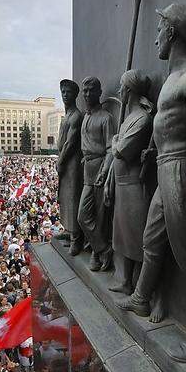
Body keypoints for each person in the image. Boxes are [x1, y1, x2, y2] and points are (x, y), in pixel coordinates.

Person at [116, 3, 186, 363]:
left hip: (181, 170)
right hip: (163, 166)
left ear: (172, 31)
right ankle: (142, 296)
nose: (156, 37)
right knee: (151, 238)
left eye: (160, 29)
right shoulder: (171, 81)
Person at [106, 69, 154, 296]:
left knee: (135, 237)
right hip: (121, 184)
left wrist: (116, 141)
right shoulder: (128, 119)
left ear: (129, 91)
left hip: (134, 187)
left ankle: (144, 288)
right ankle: (125, 280)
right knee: (122, 235)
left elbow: (121, 150)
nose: (119, 92)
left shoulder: (142, 119)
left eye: (122, 88)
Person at [77, 76, 116, 271]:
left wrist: (105, 170)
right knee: (83, 216)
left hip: (100, 167)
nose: (86, 94)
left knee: (100, 216)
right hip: (88, 169)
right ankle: (103, 248)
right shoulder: (86, 116)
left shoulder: (106, 118)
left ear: (99, 93)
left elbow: (111, 148)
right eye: (84, 90)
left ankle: (96, 252)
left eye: (91, 90)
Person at [56, 79, 85, 256]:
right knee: (65, 198)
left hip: (72, 164)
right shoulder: (66, 115)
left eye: (68, 92)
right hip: (65, 163)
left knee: (73, 198)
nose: (65, 95)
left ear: (75, 95)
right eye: (63, 92)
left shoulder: (76, 116)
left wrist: (61, 161)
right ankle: (68, 230)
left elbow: (70, 143)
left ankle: (76, 238)